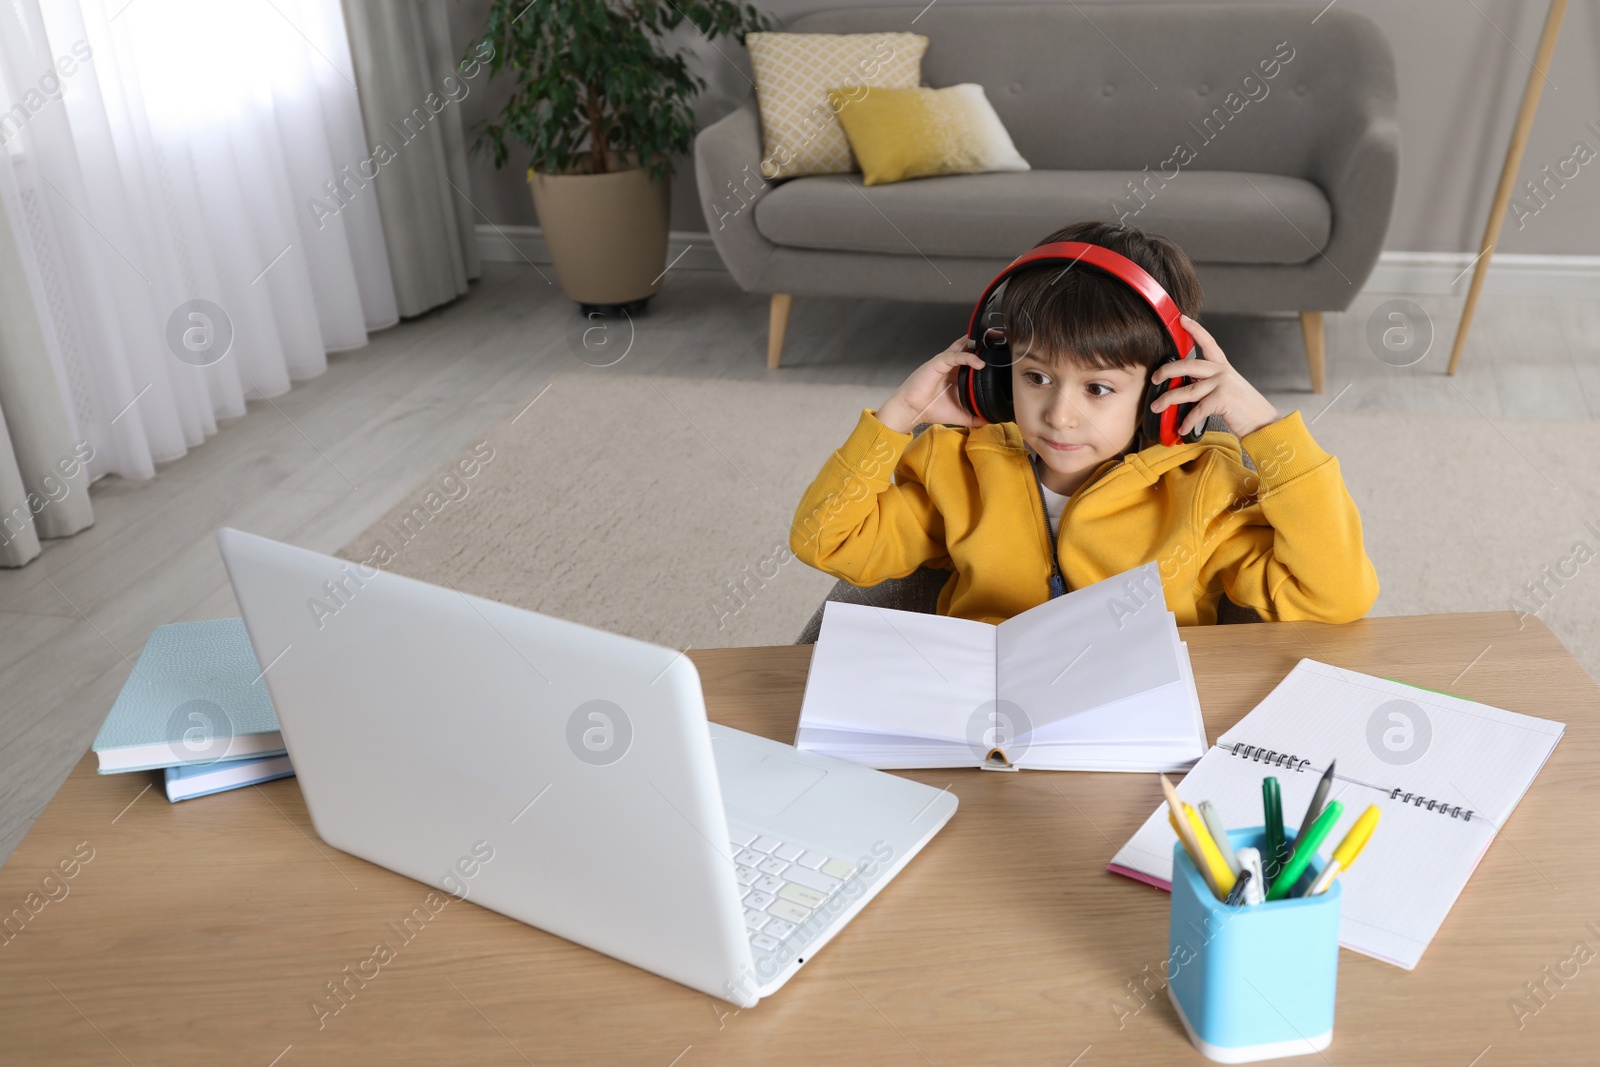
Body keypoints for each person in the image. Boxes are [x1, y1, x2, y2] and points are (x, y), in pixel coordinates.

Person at [788, 220, 1378, 626]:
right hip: (983, 725)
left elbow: (1336, 595)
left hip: (1133, 739)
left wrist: (1264, 429)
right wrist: (896, 418)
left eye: (1098, 388)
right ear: (996, 374)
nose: (1059, 414)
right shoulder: (956, 465)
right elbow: (826, 541)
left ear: (1167, 388)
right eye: (1035, 377)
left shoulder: (1202, 493)